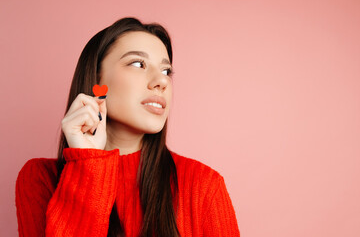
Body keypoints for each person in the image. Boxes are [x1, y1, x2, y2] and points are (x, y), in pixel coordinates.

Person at [15, 17, 240, 237]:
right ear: (97, 82)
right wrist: (88, 163)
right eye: (138, 64)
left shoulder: (203, 185)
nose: (161, 81)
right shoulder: (40, 179)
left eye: (166, 71)